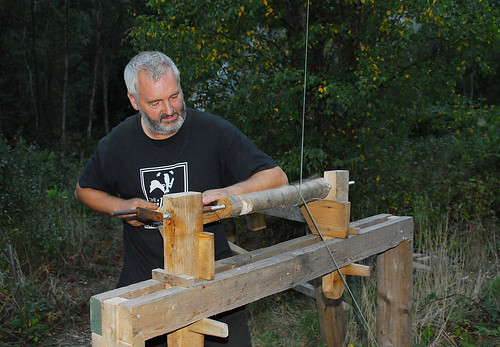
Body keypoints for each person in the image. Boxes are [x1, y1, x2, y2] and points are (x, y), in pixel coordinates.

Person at [75, 51, 288, 346]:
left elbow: (276, 177)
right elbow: (84, 189)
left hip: (214, 281)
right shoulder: (118, 143)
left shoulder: (210, 131)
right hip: (147, 285)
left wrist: (228, 193)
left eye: (174, 96)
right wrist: (123, 207)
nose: (169, 109)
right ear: (135, 101)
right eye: (155, 102)